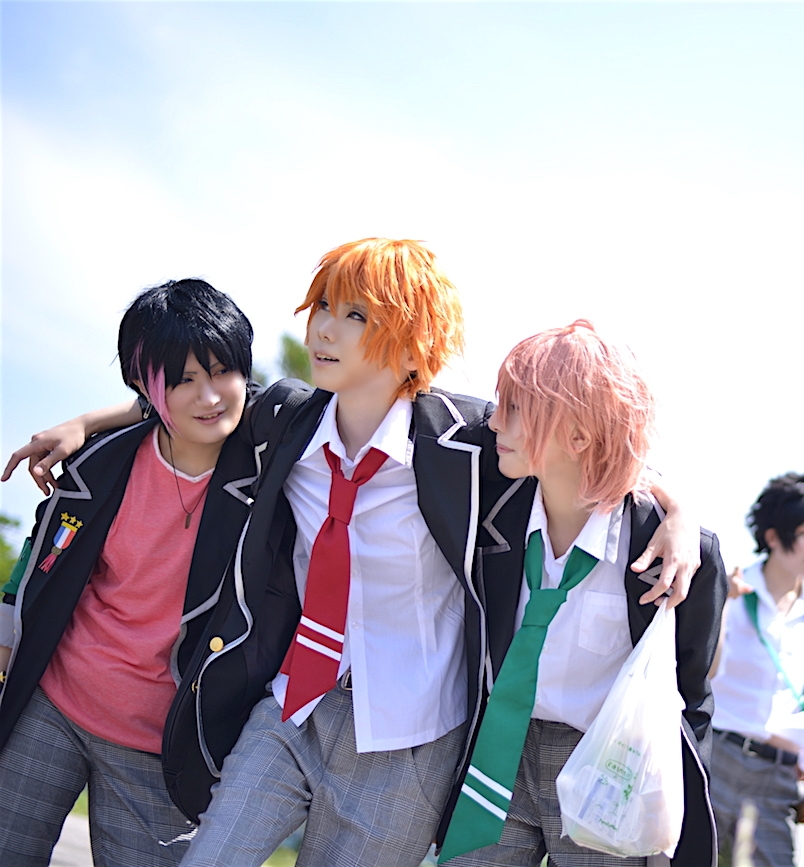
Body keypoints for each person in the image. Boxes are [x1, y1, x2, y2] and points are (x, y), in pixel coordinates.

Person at [154, 240, 699, 867]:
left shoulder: (465, 442)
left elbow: (583, 445)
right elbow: (204, 406)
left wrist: (680, 512)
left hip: (408, 737)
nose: (324, 328)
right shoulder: (285, 417)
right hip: (292, 704)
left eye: (356, 316)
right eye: (324, 305)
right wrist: (90, 425)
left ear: (413, 348)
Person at [0, 279, 300, 866]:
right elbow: (42, 551)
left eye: (222, 371)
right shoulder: (101, 460)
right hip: (52, 706)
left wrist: (90, 415)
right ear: (144, 386)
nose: (209, 396)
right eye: (183, 380)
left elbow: (298, 400)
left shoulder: (265, 473)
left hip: (164, 746)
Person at [438, 320, 726, 867]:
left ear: (578, 437)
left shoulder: (664, 549)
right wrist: (680, 500)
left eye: (516, 409)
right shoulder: (497, 489)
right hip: (498, 750)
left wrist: (676, 818)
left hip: (605, 765)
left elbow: (691, 694)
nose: (495, 420)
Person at [705, 472, 804, 867]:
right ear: (774, 536)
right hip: (717, 754)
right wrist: (722, 602)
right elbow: (704, 671)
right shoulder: (729, 586)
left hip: (777, 774)